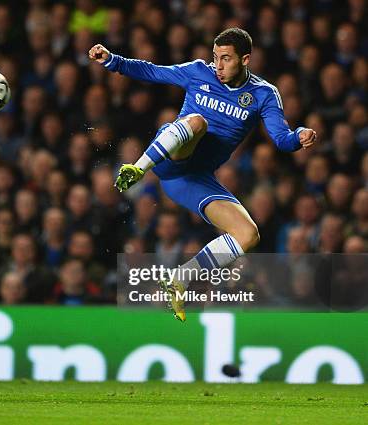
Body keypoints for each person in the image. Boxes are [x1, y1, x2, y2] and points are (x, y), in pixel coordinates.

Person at [89, 28, 317, 322]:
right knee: (197, 122)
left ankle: (180, 280)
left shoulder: (263, 94)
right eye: (215, 57)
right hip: (169, 156)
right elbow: (152, 72)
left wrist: (300, 135)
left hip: (190, 179)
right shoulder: (199, 72)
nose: (218, 66)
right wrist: (112, 60)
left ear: (245, 59)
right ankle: (138, 168)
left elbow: (282, 139)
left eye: (225, 59)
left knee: (248, 234)